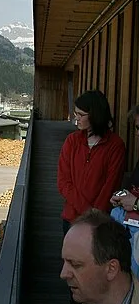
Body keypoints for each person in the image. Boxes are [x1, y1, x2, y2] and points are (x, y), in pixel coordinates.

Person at [60, 90, 128, 225]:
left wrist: (94, 215)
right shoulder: (72, 141)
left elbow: (111, 184)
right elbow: (63, 182)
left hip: (100, 221)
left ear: (95, 115)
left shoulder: (115, 145)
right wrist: (87, 211)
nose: (76, 118)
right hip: (71, 218)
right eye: (75, 114)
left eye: (81, 115)